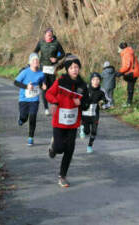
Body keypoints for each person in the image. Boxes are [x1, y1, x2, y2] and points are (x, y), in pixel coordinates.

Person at [46, 54, 90, 188]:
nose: (74, 70)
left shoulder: (82, 85)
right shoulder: (60, 81)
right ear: (67, 69)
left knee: (69, 150)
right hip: (59, 122)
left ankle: (62, 176)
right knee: (59, 149)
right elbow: (49, 93)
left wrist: (81, 102)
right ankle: (53, 147)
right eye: (71, 68)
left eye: (76, 67)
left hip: (73, 123)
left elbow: (86, 104)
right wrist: (54, 102)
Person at [14, 53, 47, 146]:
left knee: (33, 116)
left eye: (37, 60)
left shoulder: (41, 73)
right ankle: (21, 119)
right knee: (24, 117)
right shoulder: (25, 72)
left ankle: (31, 137)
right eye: (33, 60)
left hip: (34, 99)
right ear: (30, 62)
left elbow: (41, 83)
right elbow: (16, 82)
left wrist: (43, 86)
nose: (36, 62)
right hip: (24, 99)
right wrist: (26, 86)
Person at [34, 28, 65, 116]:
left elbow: (63, 54)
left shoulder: (56, 43)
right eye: (48, 35)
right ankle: (46, 108)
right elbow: (35, 52)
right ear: (45, 35)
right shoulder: (41, 42)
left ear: (52, 36)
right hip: (42, 68)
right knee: (44, 87)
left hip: (52, 68)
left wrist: (56, 59)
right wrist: (35, 62)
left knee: (52, 88)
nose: (49, 36)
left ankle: (53, 105)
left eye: (51, 35)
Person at [79, 72, 110, 153]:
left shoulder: (101, 90)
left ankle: (89, 146)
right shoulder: (85, 88)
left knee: (94, 131)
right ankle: (82, 128)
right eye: (94, 79)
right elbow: (77, 96)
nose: (96, 81)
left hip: (95, 114)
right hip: (85, 113)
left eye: (97, 80)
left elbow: (108, 101)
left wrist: (104, 106)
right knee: (87, 132)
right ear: (91, 80)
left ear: (100, 81)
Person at [118, 42, 139, 107]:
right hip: (134, 72)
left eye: (119, 48)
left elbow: (127, 66)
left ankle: (129, 102)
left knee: (130, 87)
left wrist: (120, 72)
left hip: (132, 73)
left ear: (121, 48)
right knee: (130, 87)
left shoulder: (127, 54)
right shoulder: (128, 52)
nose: (118, 50)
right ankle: (129, 102)